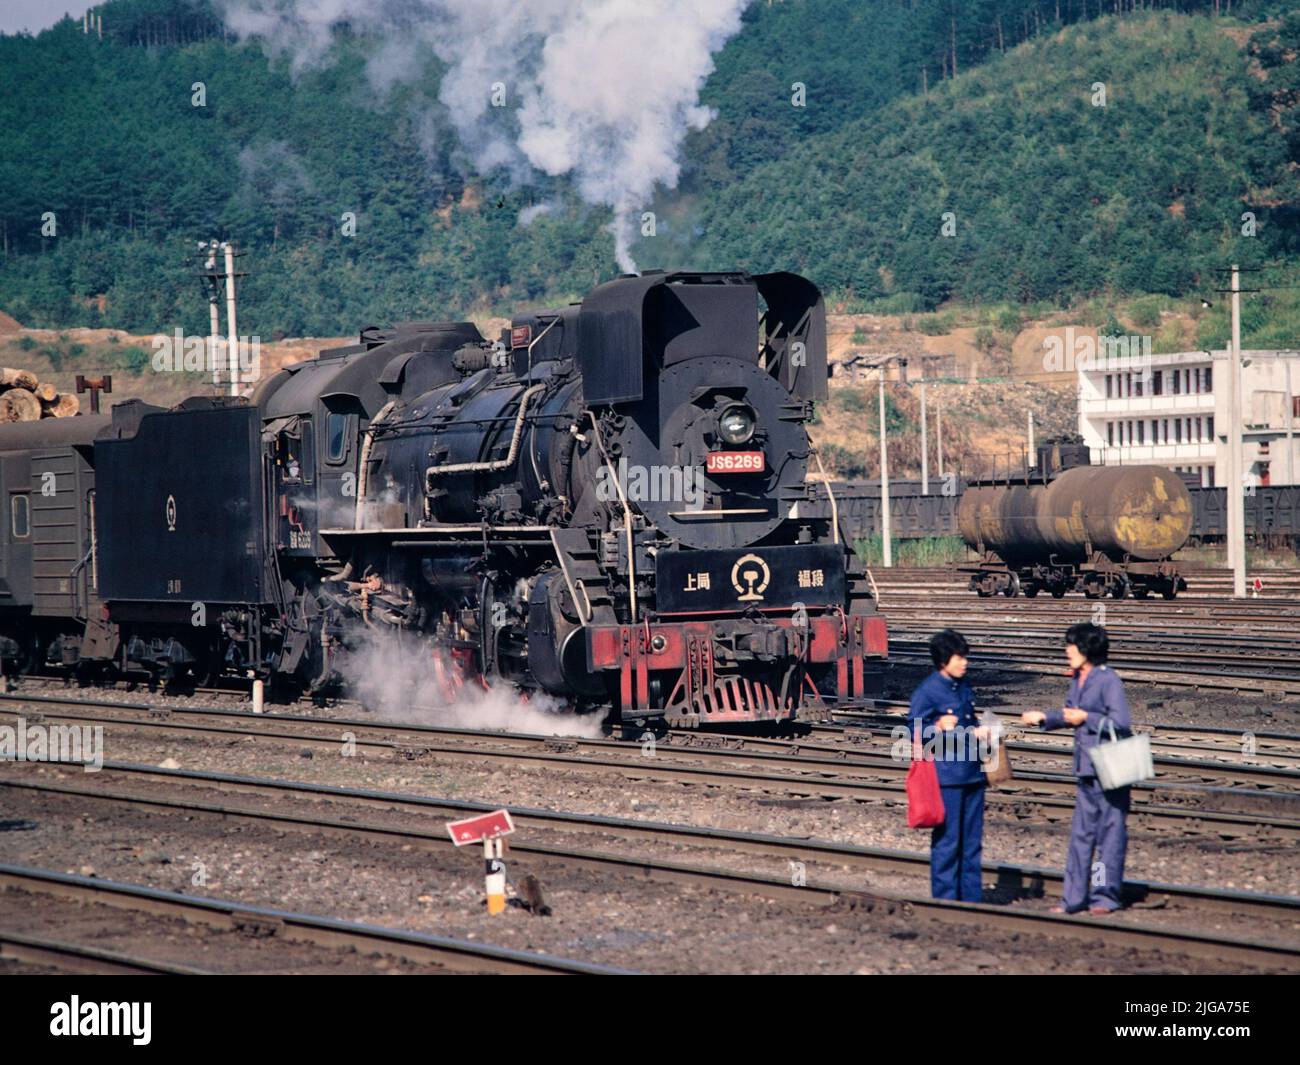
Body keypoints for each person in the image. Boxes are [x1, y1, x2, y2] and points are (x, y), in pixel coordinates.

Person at [1021, 623, 1131, 915]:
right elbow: (1072, 717)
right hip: (1086, 768)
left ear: (1088, 649)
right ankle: (1073, 899)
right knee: (1082, 836)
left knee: (1109, 836)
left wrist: (1086, 717)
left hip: (1110, 769)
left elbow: (1120, 723)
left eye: (1073, 645)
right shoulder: (1078, 679)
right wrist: (1046, 717)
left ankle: (1103, 896)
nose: (1067, 650)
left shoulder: (1109, 681)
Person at [908, 629, 987, 902]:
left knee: (972, 843)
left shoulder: (963, 684)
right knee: (948, 842)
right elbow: (913, 731)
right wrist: (936, 726)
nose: (965, 663)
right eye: (959, 657)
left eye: (965, 657)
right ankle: (945, 901)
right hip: (948, 778)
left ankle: (972, 901)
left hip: (973, 775)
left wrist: (980, 732)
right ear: (944, 661)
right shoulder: (928, 691)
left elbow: (969, 722)